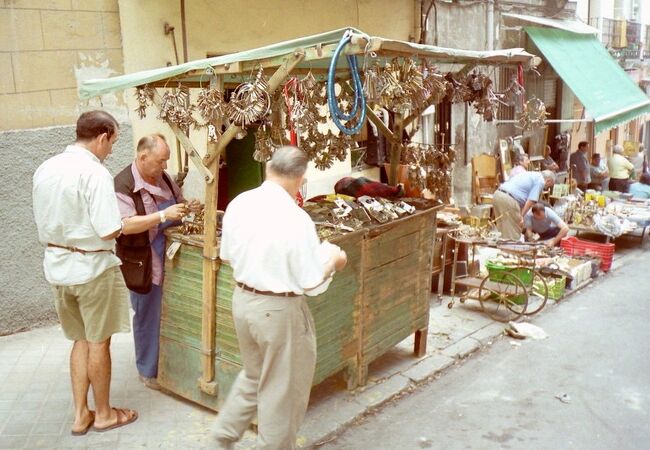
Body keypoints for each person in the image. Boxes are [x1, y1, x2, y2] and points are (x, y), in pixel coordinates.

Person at [212, 146, 348, 450]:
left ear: (269, 168)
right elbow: (311, 282)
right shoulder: (295, 219)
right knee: (281, 395)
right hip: (278, 311)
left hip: (243, 302)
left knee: (253, 376)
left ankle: (220, 439)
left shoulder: (238, 204)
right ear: (300, 179)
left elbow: (229, 255)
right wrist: (334, 262)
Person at [32, 111, 138, 435]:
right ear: (103, 136)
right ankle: (104, 413)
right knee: (98, 342)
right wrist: (125, 224)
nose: (110, 151)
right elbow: (108, 229)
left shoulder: (45, 168)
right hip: (92, 268)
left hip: (57, 267)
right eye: (113, 143)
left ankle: (81, 415)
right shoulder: (95, 172)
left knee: (79, 341)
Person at [114, 133, 200, 390]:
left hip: (171, 256)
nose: (164, 167)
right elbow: (125, 225)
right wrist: (164, 215)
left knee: (172, 313)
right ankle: (148, 372)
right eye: (160, 161)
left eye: (166, 161)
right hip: (143, 261)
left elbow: (178, 203)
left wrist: (188, 207)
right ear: (143, 157)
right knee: (147, 316)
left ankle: (173, 365)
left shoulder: (163, 178)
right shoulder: (123, 185)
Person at [493, 170, 556, 241]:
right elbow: (531, 200)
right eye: (548, 186)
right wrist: (521, 216)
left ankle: (503, 250)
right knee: (512, 232)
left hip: (498, 195)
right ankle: (511, 250)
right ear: (548, 181)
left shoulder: (531, 174)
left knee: (503, 230)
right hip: (508, 199)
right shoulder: (540, 180)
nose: (546, 188)